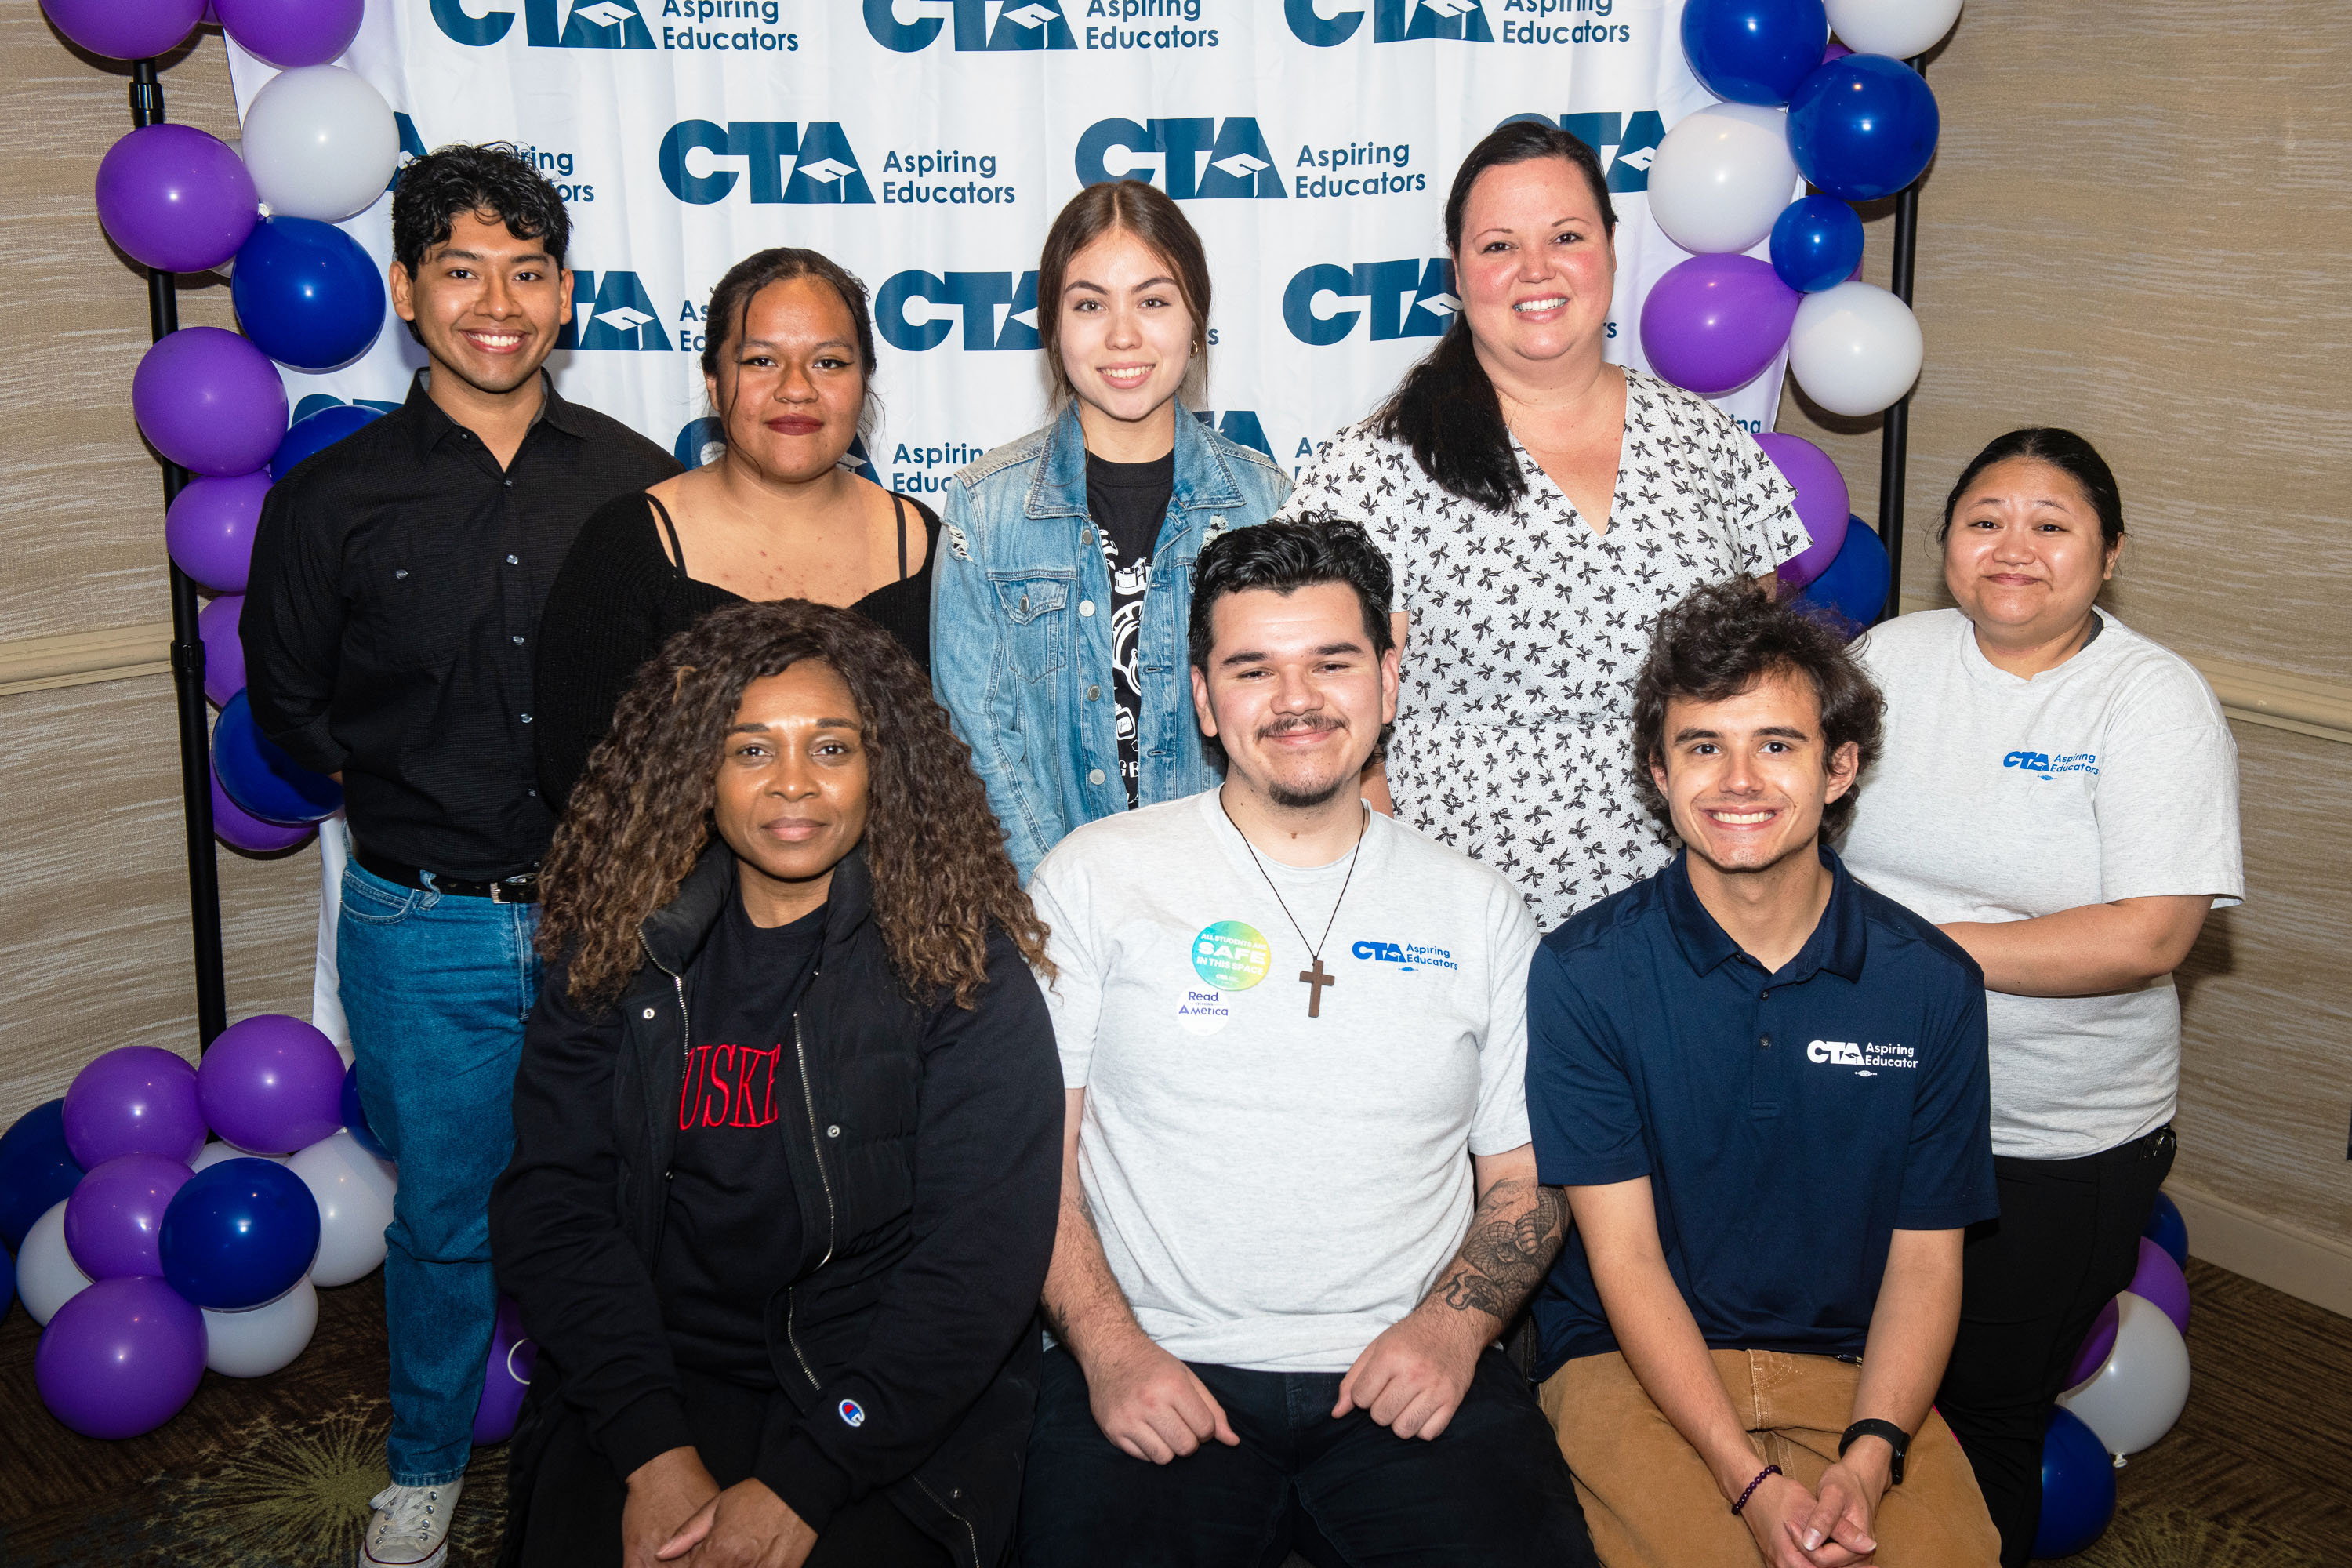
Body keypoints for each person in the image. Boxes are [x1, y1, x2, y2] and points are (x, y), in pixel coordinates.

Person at [241, 142, 680, 1568]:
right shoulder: (335, 496)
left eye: (529, 272)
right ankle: (424, 1471)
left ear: (566, 295)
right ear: (408, 294)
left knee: (643, 1200)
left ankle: (643, 1454)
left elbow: (686, 699)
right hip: (421, 926)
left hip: (617, 917)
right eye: (464, 270)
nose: (500, 302)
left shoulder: (637, 486)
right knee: (441, 1220)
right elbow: (295, 710)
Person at [1017, 518, 1596, 1567]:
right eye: (1253, 669)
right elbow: (1028, 1166)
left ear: (1387, 671)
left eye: (1331, 662)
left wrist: (1452, 1332)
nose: (1295, 702)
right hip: (1155, 1370)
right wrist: (1108, 1353)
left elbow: (1526, 1182)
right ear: (1202, 698)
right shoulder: (1095, 878)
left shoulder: (1476, 907)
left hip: (1408, 1375)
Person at [490, 600, 1064, 1568]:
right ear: (697, 775)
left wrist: (813, 1474)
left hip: (868, 1390)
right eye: (751, 750)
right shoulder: (614, 955)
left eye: (831, 748)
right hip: (655, 1377)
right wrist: (649, 1447)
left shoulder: (963, 967)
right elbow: (555, 1208)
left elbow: (978, 1264)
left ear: (883, 767)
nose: (793, 784)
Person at [1526, 581, 2002, 1568]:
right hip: (1632, 1363)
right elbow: (1625, 1260)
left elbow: (1926, 1259)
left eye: (1776, 745)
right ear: (1658, 773)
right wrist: (1746, 1480)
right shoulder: (1584, 971)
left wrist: (1870, 1457)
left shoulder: (1933, 984)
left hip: (1852, 1373)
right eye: (1703, 746)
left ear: (1839, 768)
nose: (1738, 778)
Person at [1838, 429, 2243, 1565]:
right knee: (1851, 1389)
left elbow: (2150, 934)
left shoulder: (2151, 702)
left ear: (2109, 553)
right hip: (1866, 1099)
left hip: (2048, 1134)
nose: (2013, 547)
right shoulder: (1890, 657)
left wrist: (1907, 948)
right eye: (1984, 520)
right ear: (1944, 545)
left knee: (1983, 1417)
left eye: (2050, 524)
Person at [1277, 120, 1809, 931]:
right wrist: (1390, 900)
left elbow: (1763, 696)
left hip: (1692, 909)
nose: (1537, 270)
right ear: (1457, 271)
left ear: (1612, 245)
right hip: (1459, 918)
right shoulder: (1374, 469)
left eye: (1567, 235)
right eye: (1498, 247)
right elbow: (1325, 709)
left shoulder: (1708, 444)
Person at [931, 179, 1290, 882]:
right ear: (1052, 327)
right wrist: (1068, 904)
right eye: (1089, 305)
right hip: (1047, 912)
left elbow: (1284, 728)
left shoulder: (1266, 502)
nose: (1123, 335)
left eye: (1153, 302)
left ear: (1196, 322)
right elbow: (977, 744)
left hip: (1231, 906)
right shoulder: (984, 510)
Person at [535, 248, 941, 813]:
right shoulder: (629, 545)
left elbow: (955, 769)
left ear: (864, 378)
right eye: (760, 361)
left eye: (829, 362)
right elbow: (581, 778)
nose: (796, 389)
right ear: (713, 379)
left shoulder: (925, 543)